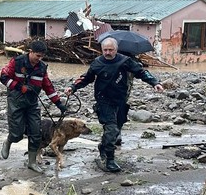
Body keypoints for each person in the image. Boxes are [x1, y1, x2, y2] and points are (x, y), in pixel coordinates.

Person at [64, 37, 164, 173]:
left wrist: (155, 83)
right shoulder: (97, 63)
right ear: (102, 50)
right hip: (104, 101)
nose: (108, 52)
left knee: (116, 129)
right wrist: (73, 87)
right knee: (111, 130)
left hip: (120, 101)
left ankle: (103, 147)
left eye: (110, 50)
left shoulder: (125, 61)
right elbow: (86, 78)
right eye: (105, 50)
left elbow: (141, 72)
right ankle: (109, 160)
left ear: (116, 50)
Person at [0, 40, 68, 173]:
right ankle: (8, 141)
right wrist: (20, 87)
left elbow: (48, 86)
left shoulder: (42, 67)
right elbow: (3, 77)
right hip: (16, 102)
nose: (39, 59)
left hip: (32, 103)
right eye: (37, 55)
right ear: (30, 52)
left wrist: (59, 103)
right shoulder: (17, 62)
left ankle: (32, 162)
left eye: (42, 56)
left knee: (36, 133)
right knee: (17, 133)